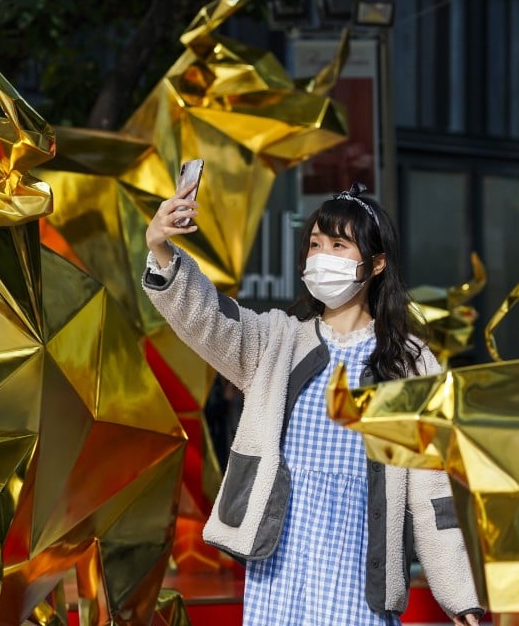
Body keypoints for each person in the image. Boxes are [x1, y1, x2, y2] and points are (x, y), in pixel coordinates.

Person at [143, 180, 484, 625]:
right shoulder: (276, 339)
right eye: (316, 244)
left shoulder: (411, 365)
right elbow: (208, 316)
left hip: (359, 568)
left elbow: (431, 494)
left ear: (377, 263)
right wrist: (161, 247)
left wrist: (460, 598)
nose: (321, 256)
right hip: (278, 566)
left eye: (339, 245)